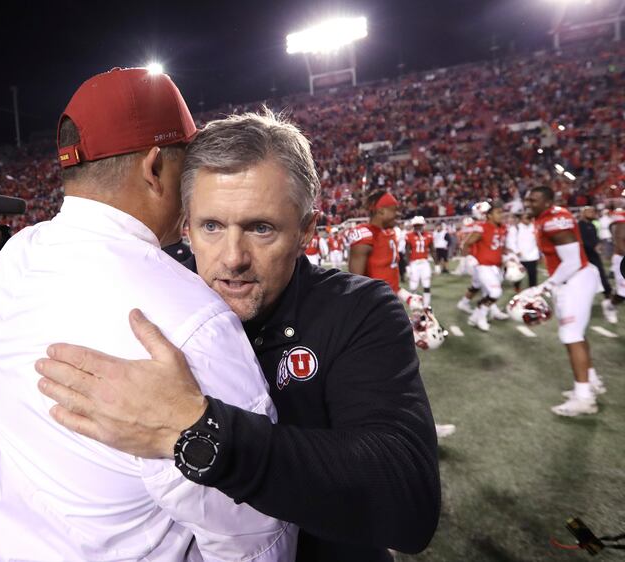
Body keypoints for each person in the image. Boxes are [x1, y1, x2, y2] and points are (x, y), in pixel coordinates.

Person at [35, 110, 441, 562]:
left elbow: (408, 502)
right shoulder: (161, 303)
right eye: (212, 227)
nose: (232, 258)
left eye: (260, 228)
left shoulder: (358, 308)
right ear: (185, 226)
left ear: (307, 230)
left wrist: (198, 429)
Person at [0, 69, 295, 561]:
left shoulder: (17, 253)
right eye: (187, 165)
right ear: (155, 168)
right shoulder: (191, 319)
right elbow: (254, 535)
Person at [525, 186, 605, 417]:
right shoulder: (545, 217)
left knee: (571, 336)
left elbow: (570, 262)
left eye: (535, 200)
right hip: (573, 279)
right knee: (576, 333)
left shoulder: (554, 220)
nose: (529, 203)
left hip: (575, 278)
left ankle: (584, 398)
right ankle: (591, 381)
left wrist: (543, 287)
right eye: (528, 199)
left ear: (549, 201)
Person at [456, 201, 509, 332]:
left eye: (502, 212)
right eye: (498, 212)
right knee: (494, 292)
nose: (501, 215)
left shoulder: (503, 227)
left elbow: (501, 247)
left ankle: (474, 318)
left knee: (489, 292)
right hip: (483, 266)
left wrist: (509, 259)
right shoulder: (482, 227)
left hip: (496, 266)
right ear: (489, 215)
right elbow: (466, 243)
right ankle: (480, 318)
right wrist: (467, 258)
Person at [579, 207, 617, 324]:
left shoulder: (592, 225)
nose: (593, 213)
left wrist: (598, 244)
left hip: (594, 258)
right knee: (582, 286)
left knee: (604, 282)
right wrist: (593, 247)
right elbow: (582, 242)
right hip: (584, 259)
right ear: (583, 213)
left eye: (593, 211)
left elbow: (595, 240)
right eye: (590, 211)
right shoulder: (579, 225)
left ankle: (609, 307)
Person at [405, 216, 434, 308]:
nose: (418, 227)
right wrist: (407, 265)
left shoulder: (429, 235)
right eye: (416, 226)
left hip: (424, 262)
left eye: (419, 225)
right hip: (414, 263)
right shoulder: (409, 235)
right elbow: (407, 251)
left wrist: (436, 264)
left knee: (426, 283)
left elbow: (433, 250)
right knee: (413, 285)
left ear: (423, 225)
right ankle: (414, 302)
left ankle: (426, 305)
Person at [513, 213, 540, 288]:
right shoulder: (516, 228)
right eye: (525, 218)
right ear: (521, 219)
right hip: (520, 256)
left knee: (532, 275)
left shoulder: (535, 227)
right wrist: (516, 251)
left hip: (532, 256)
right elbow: (512, 241)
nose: (528, 220)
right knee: (518, 275)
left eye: (529, 218)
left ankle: (533, 291)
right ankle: (517, 287)